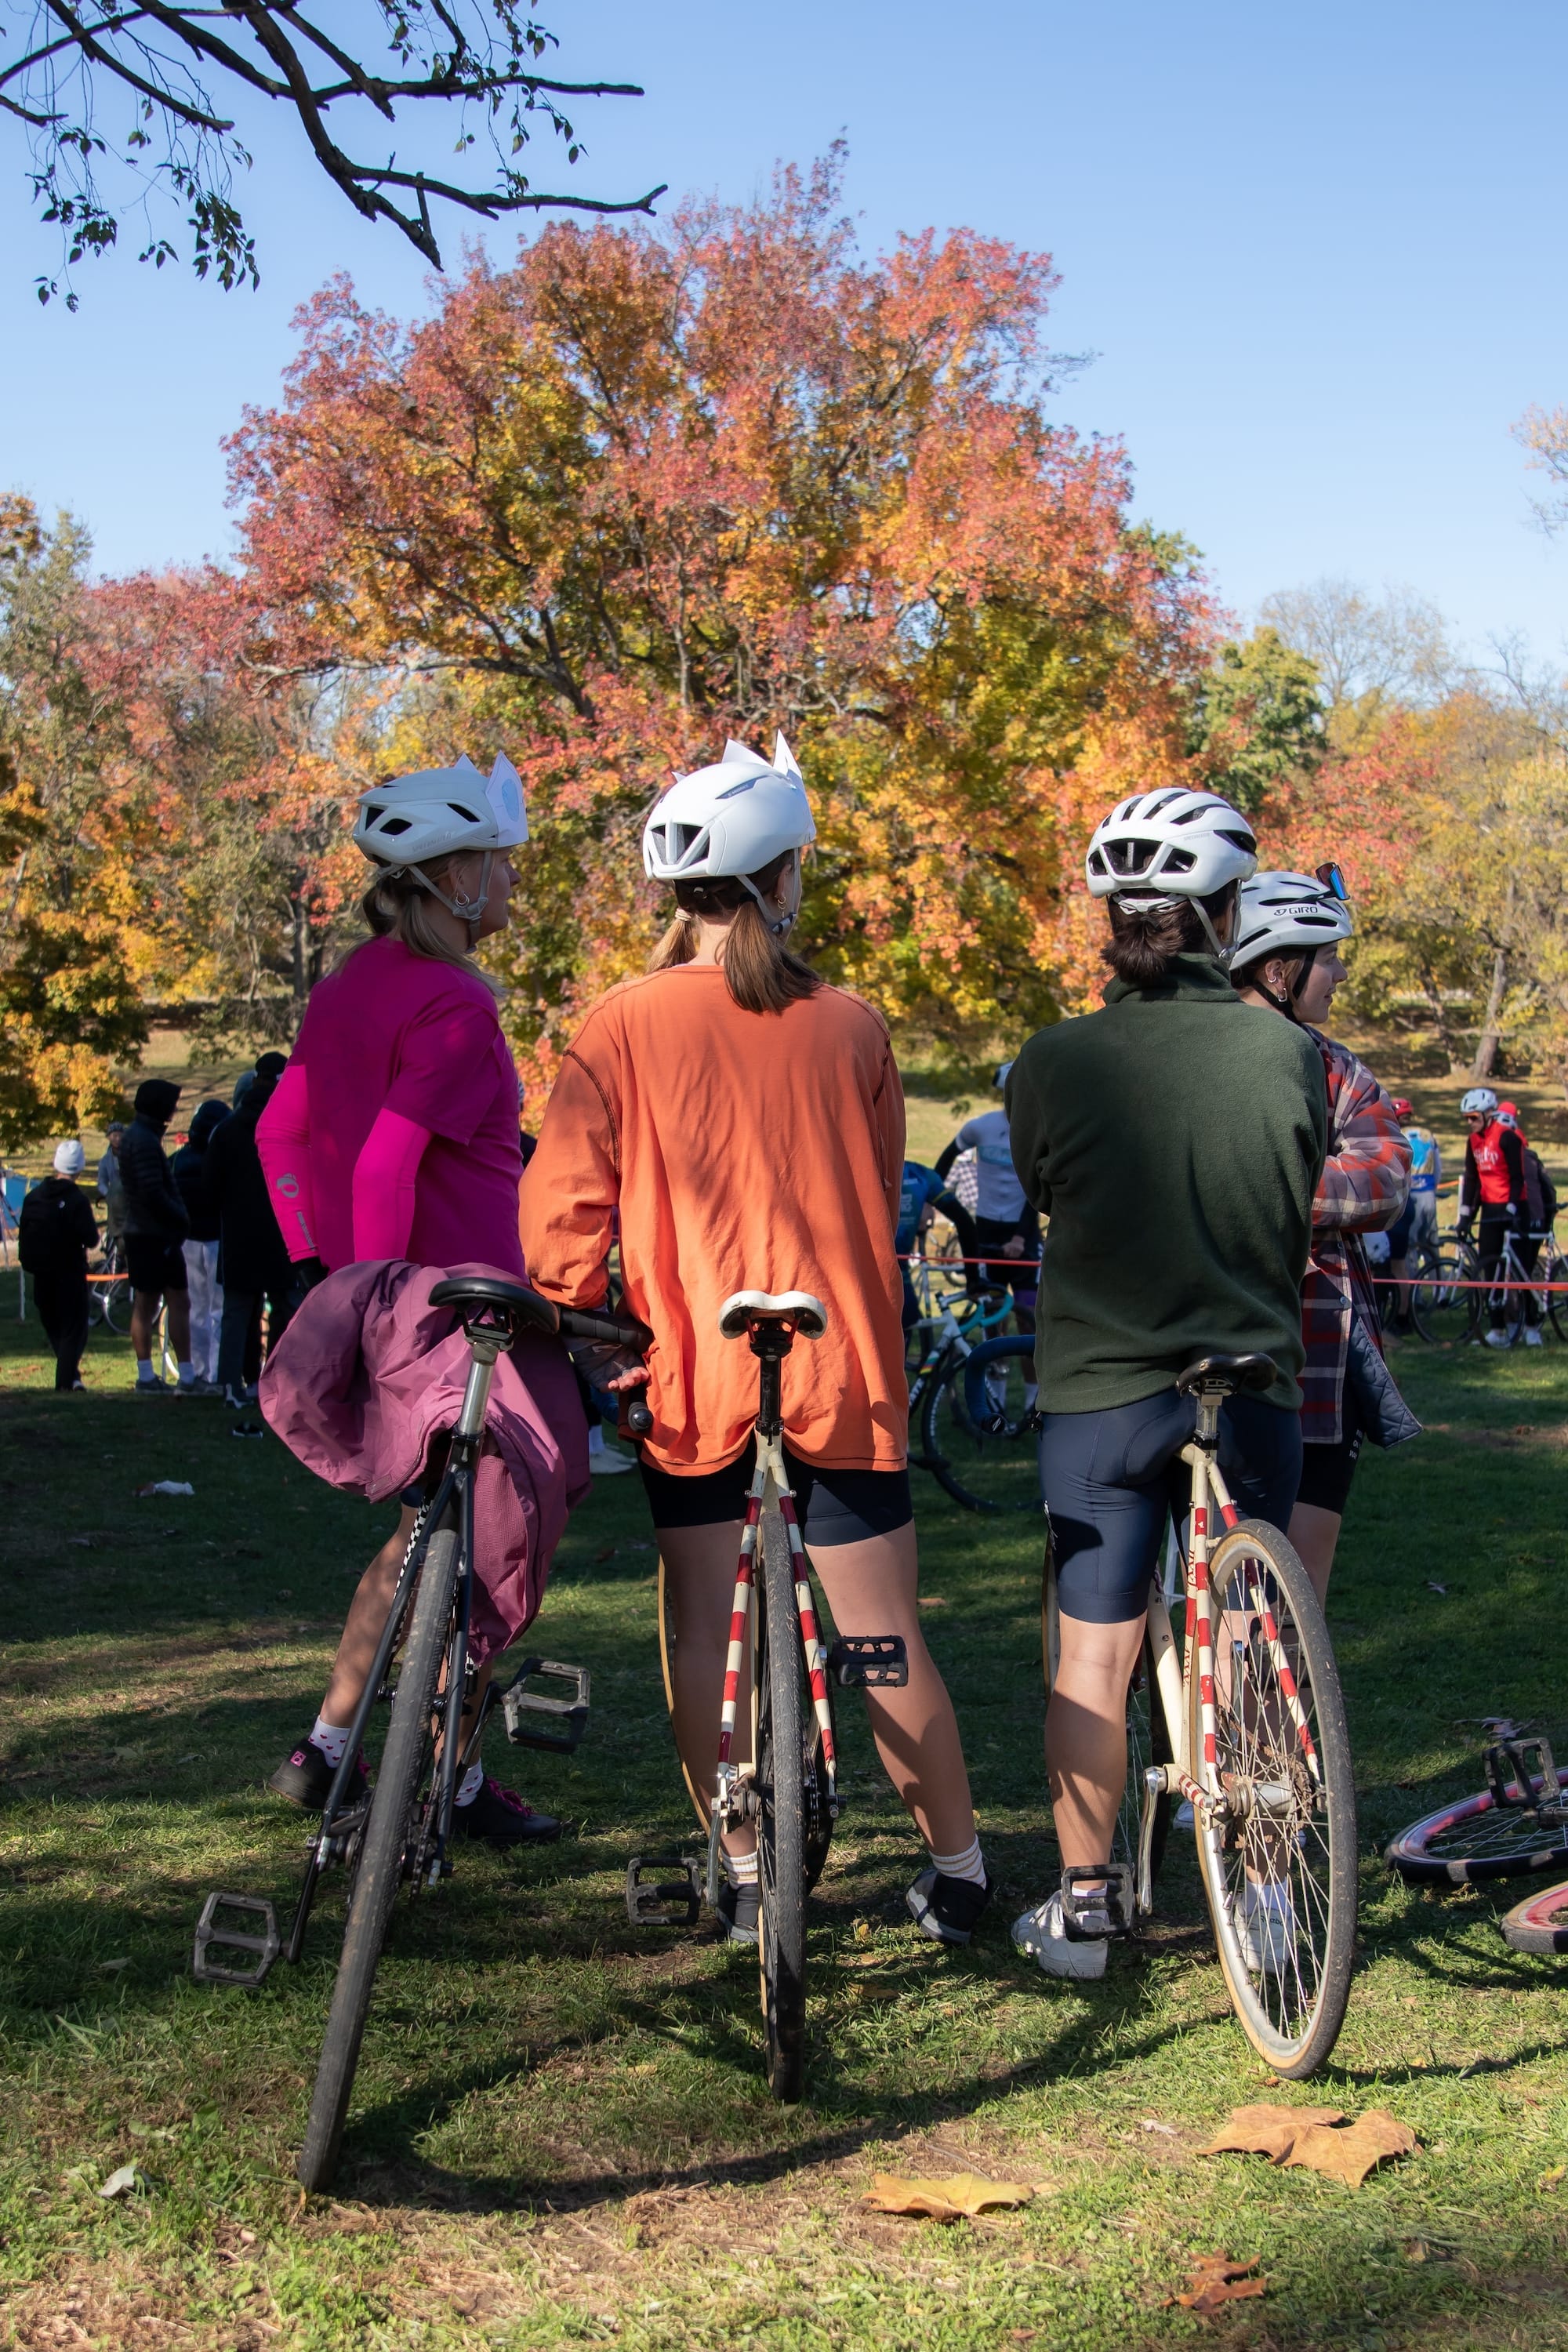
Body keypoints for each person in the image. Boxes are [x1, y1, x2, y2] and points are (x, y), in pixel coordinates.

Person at [519, 735, 989, 1947]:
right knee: (882, 1638)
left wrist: (591, 1325)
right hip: (839, 1366)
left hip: (695, 1372)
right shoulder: (852, 1026)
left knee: (701, 1632)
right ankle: (960, 1867)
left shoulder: (617, 1026)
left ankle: (739, 1872)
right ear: (780, 881)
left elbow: (559, 1220)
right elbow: (880, 1189)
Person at [1006, 789, 1327, 1981]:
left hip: (1104, 1393)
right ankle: (1273, 1899)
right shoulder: (1288, 1053)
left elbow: (1042, 1188)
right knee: (1248, 1642)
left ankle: (1086, 1907)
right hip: (1250, 1386)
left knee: (1092, 1655)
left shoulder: (1055, 1058)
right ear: (1226, 913)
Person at [256, 751, 557, 1846]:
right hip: (460, 1321)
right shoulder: (455, 1002)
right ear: (453, 876)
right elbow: (387, 1161)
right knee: (500, 1529)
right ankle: (449, 1777)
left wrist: (321, 1270)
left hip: (384, 1299)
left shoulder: (343, 988)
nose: (511, 880)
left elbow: (278, 1133)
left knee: (421, 1534)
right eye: (499, 862)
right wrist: (388, 1311)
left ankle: (329, 1744)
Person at [1230, 870, 1417, 1592]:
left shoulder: (1337, 1068)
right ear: (1279, 970)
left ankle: (1277, 1673)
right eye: (1329, 957)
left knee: (1297, 1590)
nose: (1340, 974)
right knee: (1208, 1580)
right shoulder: (1186, 1060)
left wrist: (1255, 1190)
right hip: (1192, 1350)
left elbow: (1386, 1176)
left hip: (1318, 1362)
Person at [208, 1054, 299, 1405]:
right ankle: (278, 1382)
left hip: (239, 1235)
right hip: (281, 1233)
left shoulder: (226, 1131)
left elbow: (210, 1185)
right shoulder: (288, 1127)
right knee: (285, 1310)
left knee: (237, 1313)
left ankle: (230, 1384)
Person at [936, 1067, 1040, 1346]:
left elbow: (1040, 1187)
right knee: (993, 1316)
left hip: (1023, 1233)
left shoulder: (1038, 1131)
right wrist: (931, 1201)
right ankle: (995, 1375)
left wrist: (1020, 1237)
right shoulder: (980, 1127)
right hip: (987, 1229)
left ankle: (1032, 1378)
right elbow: (945, 1160)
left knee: (1029, 1319)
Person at [118, 1079, 202, 1395]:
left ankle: (153, 1374)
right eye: (171, 1104)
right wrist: (179, 1216)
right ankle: (181, 1375)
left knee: (150, 1301)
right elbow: (152, 1190)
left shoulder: (137, 1136)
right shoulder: (143, 1141)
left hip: (144, 1231)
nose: (174, 1110)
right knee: (170, 1300)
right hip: (154, 1233)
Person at [18, 1141, 99, 1390]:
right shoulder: (77, 1201)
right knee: (74, 1331)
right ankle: (65, 1384)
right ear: (79, 1168)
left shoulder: (34, 1198)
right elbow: (92, 1239)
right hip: (69, 1275)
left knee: (56, 1329)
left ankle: (72, 1379)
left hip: (41, 1275)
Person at [1457, 1087, 1530, 1348]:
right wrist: (1466, 1215)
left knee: (1520, 1268)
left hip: (1514, 1207)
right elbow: (1472, 1180)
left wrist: (1512, 1208)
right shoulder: (1473, 1141)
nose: (1470, 1123)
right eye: (1466, 1118)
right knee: (1489, 1269)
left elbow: (1518, 1177)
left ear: (1488, 1114)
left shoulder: (1507, 1136)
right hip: (1490, 1208)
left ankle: (1531, 1323)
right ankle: (1497, 1328)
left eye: (1474, 1117)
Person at [172, 1100, 229, 1383]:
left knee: (196, 1308)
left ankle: (198, 1368)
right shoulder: (221, 1161)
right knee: (219, 1310)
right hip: (216, 1238)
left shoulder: (177, 1161)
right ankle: (216, 1371)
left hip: (189, 1239)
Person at [1383, 1098, 1439, 1333]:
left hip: (1404, 1199)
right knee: (1429, 1247)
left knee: (1403, 1260)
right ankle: (1437, 1293)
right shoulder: (1427, 1135)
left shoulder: (1393, 1135)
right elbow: (1438, 1167)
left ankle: (1408, 1308)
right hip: (1426, 1195)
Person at [895, 1158, 946, 1332]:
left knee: (908, 1319)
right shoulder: (920, 1174)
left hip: (898, 1263)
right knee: (907, 1318)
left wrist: (926, 1202)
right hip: (888, 1264)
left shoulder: (920, 1175)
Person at [96, 1123, 127, 1262]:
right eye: (114, 1135)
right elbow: (101, 1182)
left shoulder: (130, 1156)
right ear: (109, 1137)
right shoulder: (105, 1161)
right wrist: (109, 1194)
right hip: (114, 1201)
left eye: (120, 1135)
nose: (118, 1138)